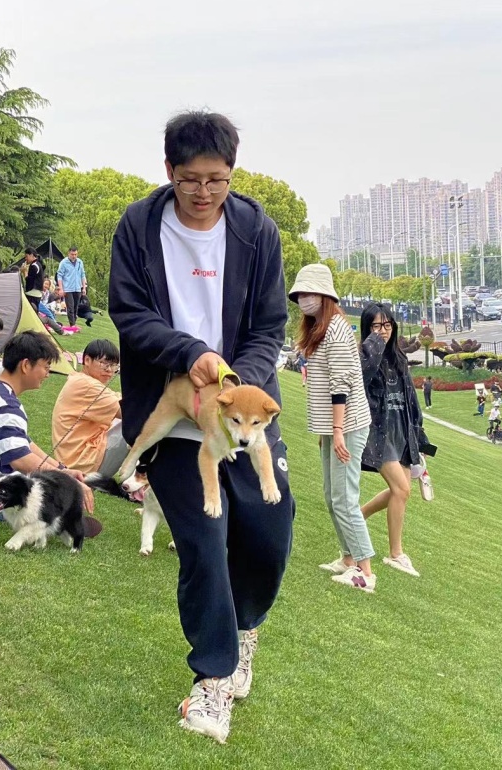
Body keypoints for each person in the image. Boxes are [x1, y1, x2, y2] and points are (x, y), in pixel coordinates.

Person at [109, 110, 295, 744]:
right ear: (169, 171)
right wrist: (190, 356)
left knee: (270, 531)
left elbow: (270, 326)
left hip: (241, 408)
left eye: (217, 180)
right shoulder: (139, 227)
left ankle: (245, 631)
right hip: (173, 408)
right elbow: (129, 313)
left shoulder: (256, 229)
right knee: (204, 541)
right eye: (190, 179)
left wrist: (236, 384)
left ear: (232, 175)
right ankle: (213, 676)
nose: (204, 192)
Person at [289, 264, 375, 592]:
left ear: (325, 296)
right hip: (334, 427)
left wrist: (337, 429)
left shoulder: (336, 329)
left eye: (310, 293)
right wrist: (328, 431)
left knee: (344, 498)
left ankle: (365, 572)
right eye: (300, 294)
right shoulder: (319, 329)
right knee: (331, 495)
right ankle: (348, 558)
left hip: (348, 425)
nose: (304, 299)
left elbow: (342, 384)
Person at [0, 331, 97, 523]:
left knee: (39, 486)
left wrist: (63, 470)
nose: (47, 374)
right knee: (40, 494)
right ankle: (65, 522)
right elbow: (20, 459)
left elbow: (25, 445)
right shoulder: (6, 404)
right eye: (46, 367)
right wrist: (65, 481)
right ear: (26, 365)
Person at [359, 302, 437, 578]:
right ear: (367, 327)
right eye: (376, 325)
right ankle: (396, 554)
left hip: (401, 433)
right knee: (401, 489)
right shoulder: (365, 355)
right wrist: (374, 345)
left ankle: (359, 516)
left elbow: (411, 402)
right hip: (377, 434)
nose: (383, 330)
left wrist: (420, 439)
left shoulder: (399, 359)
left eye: (387, 324)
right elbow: (361, 378)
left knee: (401, 492)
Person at [52, 340, 126, 476]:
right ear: (87, 360)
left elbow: (117, 398)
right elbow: (128, 412)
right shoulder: (87, 385)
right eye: (105, 364)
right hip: (84, 463)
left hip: (74, 459)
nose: (110, 370)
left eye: (114, 365)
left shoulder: (80, 379)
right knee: (139, 423)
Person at [57, 247, 87, 327]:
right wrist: (61, 288)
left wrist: (84, 287)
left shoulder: (80, 262)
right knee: (70, 307)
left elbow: (82, 275)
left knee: (75, 307)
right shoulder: (64, 263)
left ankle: (73, 323)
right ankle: (72, 324)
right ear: (69, 254)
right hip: (68, 288)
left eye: (75, 254)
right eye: (72, 254)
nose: (74, 256)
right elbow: (59, 276)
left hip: (77, 288)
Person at [24, 247, 45, 313]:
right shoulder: (37, 264)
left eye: (26, 256)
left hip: (32, 293)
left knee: (31, 312)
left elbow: (29, 280)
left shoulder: (34, 265)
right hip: (36, 293)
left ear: (31, 255)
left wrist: (25, 272)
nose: (25, 258)